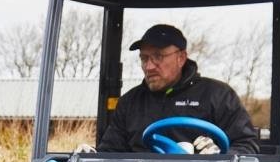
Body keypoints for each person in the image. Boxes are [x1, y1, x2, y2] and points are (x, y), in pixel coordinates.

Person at [95, 24, 260, 155]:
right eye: (144, 58)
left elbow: (245, 145)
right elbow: (110, 152)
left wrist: (220, 158)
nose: (149, 66)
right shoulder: (130, 102)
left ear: (181, 58)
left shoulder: (217, 95)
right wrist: (91, 157)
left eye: (158, 56)